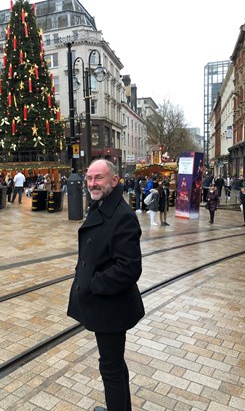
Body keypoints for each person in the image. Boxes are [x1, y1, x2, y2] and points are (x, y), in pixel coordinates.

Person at [67, 159, 144, 411]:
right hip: (106, 305)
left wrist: (92, 283)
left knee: (110, 368)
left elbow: (129, 268)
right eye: (89, 178)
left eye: (98, 178)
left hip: (111, 306)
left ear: (114, 180)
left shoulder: (122, 216)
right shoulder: (101, 206)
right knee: (114, 364)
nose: (92, 183)